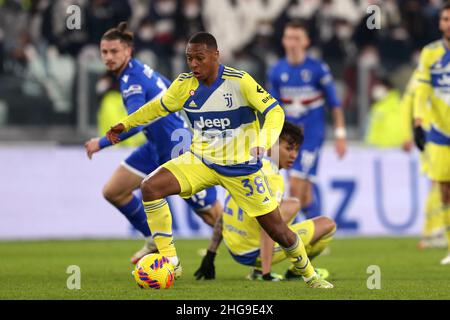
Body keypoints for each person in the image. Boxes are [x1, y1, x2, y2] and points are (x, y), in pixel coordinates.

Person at [106, 31, 333, 288]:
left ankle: (310, 276)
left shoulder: (240, 82)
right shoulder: (184, 85)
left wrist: (263, 142)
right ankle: (170, 261)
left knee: (277, 229)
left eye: (199, 58)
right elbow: (157, 108)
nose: (193, 64)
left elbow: (275, 111)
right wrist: (125, 124)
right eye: (189, 58)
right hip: (201, 161)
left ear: (216, 56)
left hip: (241, 168)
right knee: (150, 186)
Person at [84, 22, 221, 264]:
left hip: (176, 148)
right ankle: (154, 240)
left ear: (128, 51)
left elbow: (134, 123)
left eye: (114, 51)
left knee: (211, 215)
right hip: (156, 146)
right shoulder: (138, 71)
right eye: (104, 52)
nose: (108, 57)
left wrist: (101, 142)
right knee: (114, 191)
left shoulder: (132, 80)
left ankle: (254, 249)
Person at [194, 122, 336, 281]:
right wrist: (266, 273)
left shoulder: (247, 166)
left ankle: (267, 269)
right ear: (271, 145)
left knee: (285, 207)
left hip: (234, 246)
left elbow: (226, 211)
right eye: (289, 148)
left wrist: (210, 254)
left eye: (296, 150)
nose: (294, 155)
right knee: (326, 224)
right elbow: (269, 226)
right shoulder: (273, 178)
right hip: (254, 253)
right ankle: (290, 271)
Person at [267, 21, 347, 219]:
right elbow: (272, 108)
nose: (292, 43)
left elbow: (334, 104)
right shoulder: (276, 71)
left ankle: (290, 238)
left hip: (311, 135)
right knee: (305, 192)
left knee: (295, 185)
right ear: (283, 41)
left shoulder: (318, 69)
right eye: (288, 38)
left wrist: (340, 135)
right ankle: (317, 232)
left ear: (306, 41)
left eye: (297, 38)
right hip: (287, 137)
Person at [414, 1, 450, 265]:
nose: (448, 24)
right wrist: (418, 121)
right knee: (445, 191)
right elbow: (422, 90)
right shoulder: (430, 53)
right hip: (439, 132)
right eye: (445, 19)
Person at [401, 70, 446, 250]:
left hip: (441, 132)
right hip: (430, 134)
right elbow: (406, 105)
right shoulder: (425, 71)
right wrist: (407, 134)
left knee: (440, 180)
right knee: (438, 180)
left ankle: (435, 230)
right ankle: (433, 232)